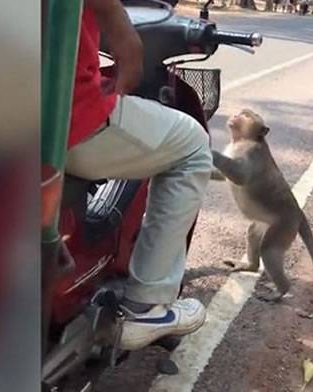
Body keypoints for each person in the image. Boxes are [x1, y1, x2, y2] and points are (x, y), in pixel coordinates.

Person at [66, 0, 212, 351]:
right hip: (59, 117)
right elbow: (123, 39)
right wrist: (119, 26)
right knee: (192, 147)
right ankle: (147, 306)